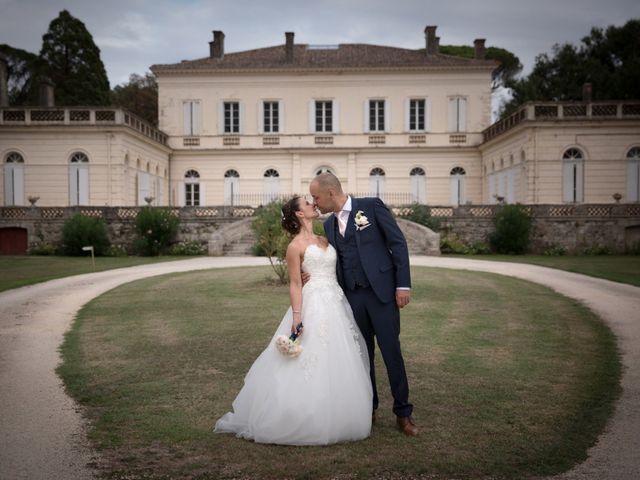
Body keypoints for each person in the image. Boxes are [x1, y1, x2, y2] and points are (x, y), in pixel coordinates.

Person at [214, 196, 373, 445]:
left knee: (339, 355)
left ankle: (340, 411)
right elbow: (296, 283)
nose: (313, 205)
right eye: (308, 203)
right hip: (313, 304)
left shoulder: (325, 238)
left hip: (336, 301)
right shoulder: (295, 246)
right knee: (310, 357)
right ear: (300, 214)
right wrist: (297, 317)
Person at [309, 172, 418, 436]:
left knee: (392, 353)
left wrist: (402, 285)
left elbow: (398, 243)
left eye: (316, 197)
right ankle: (369, 407)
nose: (314, 203)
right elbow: (334, 260)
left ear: (331, 193)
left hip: (382, 295)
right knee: (361, 356)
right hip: (352, 298)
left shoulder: (371, 207)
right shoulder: (329, 226)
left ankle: (403, 413)